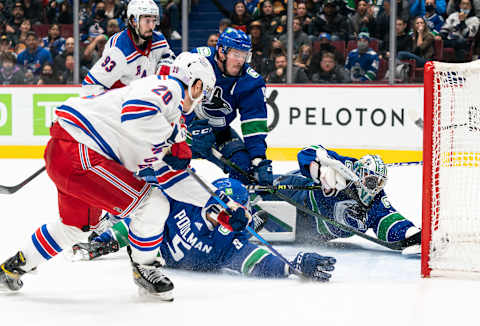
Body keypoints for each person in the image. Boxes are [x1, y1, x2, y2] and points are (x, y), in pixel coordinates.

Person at [0, 53, 219, 302]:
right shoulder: (168, 88)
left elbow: (172, 178)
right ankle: (144, 268)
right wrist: (170, 144)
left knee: (77, 227)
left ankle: (13, 266)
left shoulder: (170, 118)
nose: (202, 98)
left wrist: (216, 202)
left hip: (70, 154)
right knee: (152, 204)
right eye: (204, 91)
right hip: (81, 154)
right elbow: (136, 113)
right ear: (196, 84)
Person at [72, 178, 337, 282]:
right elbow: (149, 197)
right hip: (155, 248)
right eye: (220, 204)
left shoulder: (234, 239)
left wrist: (292, 266)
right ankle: (102, 241)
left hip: (171, 261)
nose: (223, 211)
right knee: (149, 215)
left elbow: (254, 261)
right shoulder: (185, 200)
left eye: (235, 209)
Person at [265, 145, 421, 247]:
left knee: (270, 229)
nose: (374, 189)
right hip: (299, 194)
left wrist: (413, 236)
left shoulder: (376, 200)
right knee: (257, 185)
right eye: (372, 182)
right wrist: (319, 167)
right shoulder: (345, 165)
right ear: (361, 174)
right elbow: (307, 152)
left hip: (306, 231)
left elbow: (390, 222)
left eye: (380, 184)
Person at [189, 28, 273, 186]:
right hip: (185, 125)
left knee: (243, 167)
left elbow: (253, 123)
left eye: (244, 55)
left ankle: (236, 204)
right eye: (236, 54)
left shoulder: (251, 82)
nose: (240, 61)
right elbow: (177, 94)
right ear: (221, 52)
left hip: (219, 131)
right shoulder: (199, 61)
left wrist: (258, 159)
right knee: (165, 158)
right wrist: (187, 128)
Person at [81, 0, 175, 96]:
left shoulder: (159, 40)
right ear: (133, 21)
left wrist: (161, 76)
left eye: (154, 20)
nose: (151, 25)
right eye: (147, 20)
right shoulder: (119, 50)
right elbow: (90, 85)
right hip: (122, 102)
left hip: (145, 98)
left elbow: (168, 58)